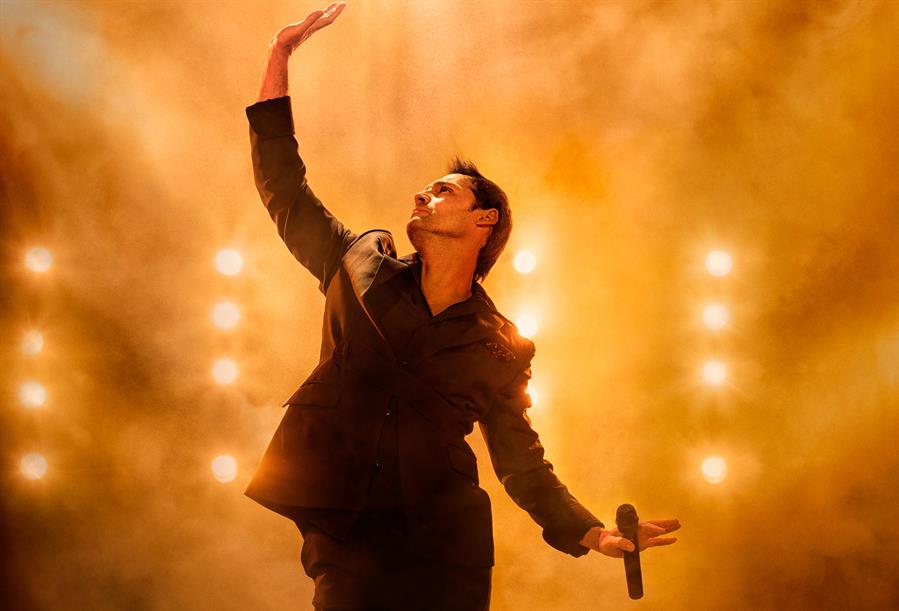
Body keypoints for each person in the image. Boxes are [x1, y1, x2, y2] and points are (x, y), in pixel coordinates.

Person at [244, 3, 681, 610]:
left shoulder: (501, 345)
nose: (421, 195)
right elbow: (283, 187)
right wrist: (279, 54)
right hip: (348, 532)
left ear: (484, 220)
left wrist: (591, 533)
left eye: (443, 191)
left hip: (447, 549)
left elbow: (521, 462)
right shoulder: (359, 263)